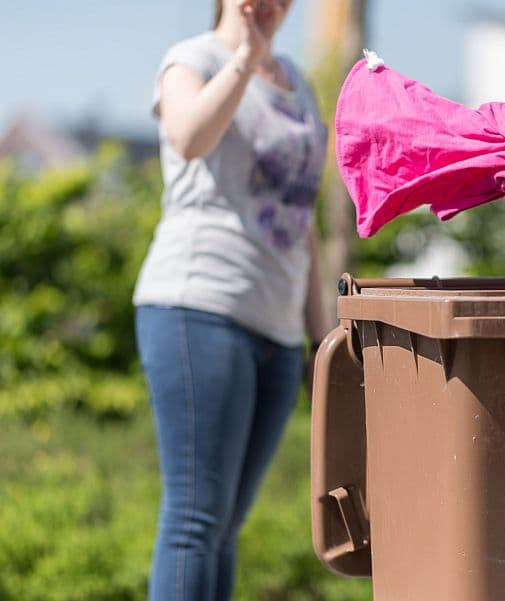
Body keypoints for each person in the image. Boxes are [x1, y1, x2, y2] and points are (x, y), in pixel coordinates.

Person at [132, 0, 330, 599]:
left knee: (225, 527)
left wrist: (324, 341)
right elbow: (189, 138)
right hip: (199, 306)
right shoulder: (192, 60)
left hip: (276, 326)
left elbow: (303, 218)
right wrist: (246, 53)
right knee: (195, 520)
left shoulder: (299, 84)